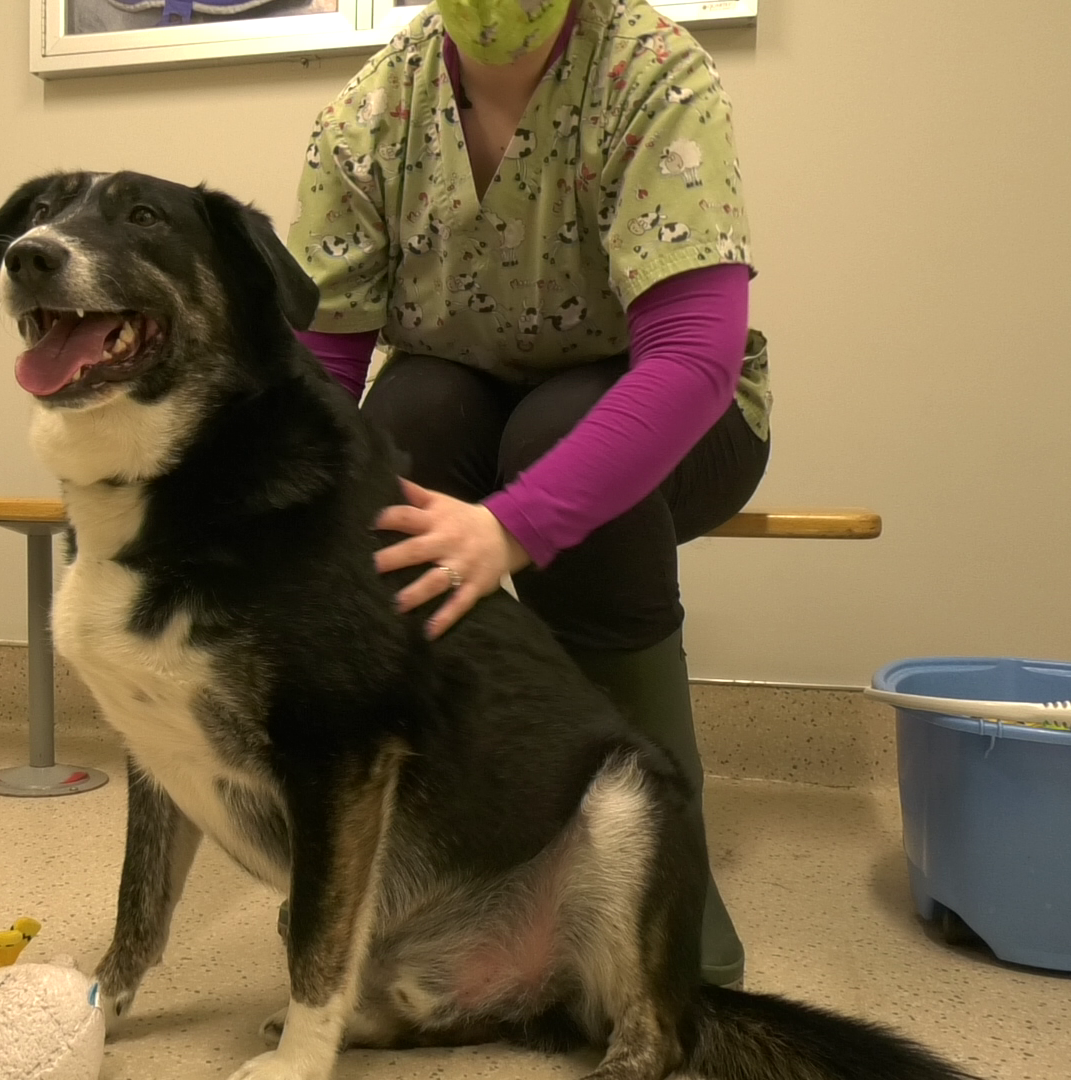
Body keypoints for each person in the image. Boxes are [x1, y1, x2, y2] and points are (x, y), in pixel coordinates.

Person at [284, 0, 770, 988]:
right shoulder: (370, 115)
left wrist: (519, 525)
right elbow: (325, 362)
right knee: (403, 424)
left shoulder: (651, 75)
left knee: (562, 432)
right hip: (471, 398)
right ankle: (430, 881)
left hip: (683, 420)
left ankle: (663, 903)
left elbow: (693, 358)